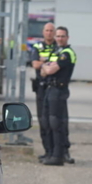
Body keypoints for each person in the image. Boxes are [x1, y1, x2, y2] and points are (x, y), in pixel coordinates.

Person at [40, 26, 76, 166]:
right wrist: (46, 67)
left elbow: (49, 70)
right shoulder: (56, 51)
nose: (60, 38)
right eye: (58, 36)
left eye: (62, 36)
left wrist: (46, 66)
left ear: (67, 37)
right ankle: (50, 153)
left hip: (59, 90)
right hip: (50, 89)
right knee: (47, 122)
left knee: (56, 123)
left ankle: (58, 156)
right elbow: (44, 70)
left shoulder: (67, 53)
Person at [28, 22, 57, 161]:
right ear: (43, 32)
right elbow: (35, 64)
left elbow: (58, 65)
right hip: (41, 87)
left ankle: (58, 152)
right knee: (43, 121)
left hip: (55, 87)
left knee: (55, 121)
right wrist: (50, 62)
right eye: (47, 30)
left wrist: (43, 61)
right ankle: (47, 151)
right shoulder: (37, 46)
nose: (49, 33)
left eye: (51, 30)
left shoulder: (59, 47)